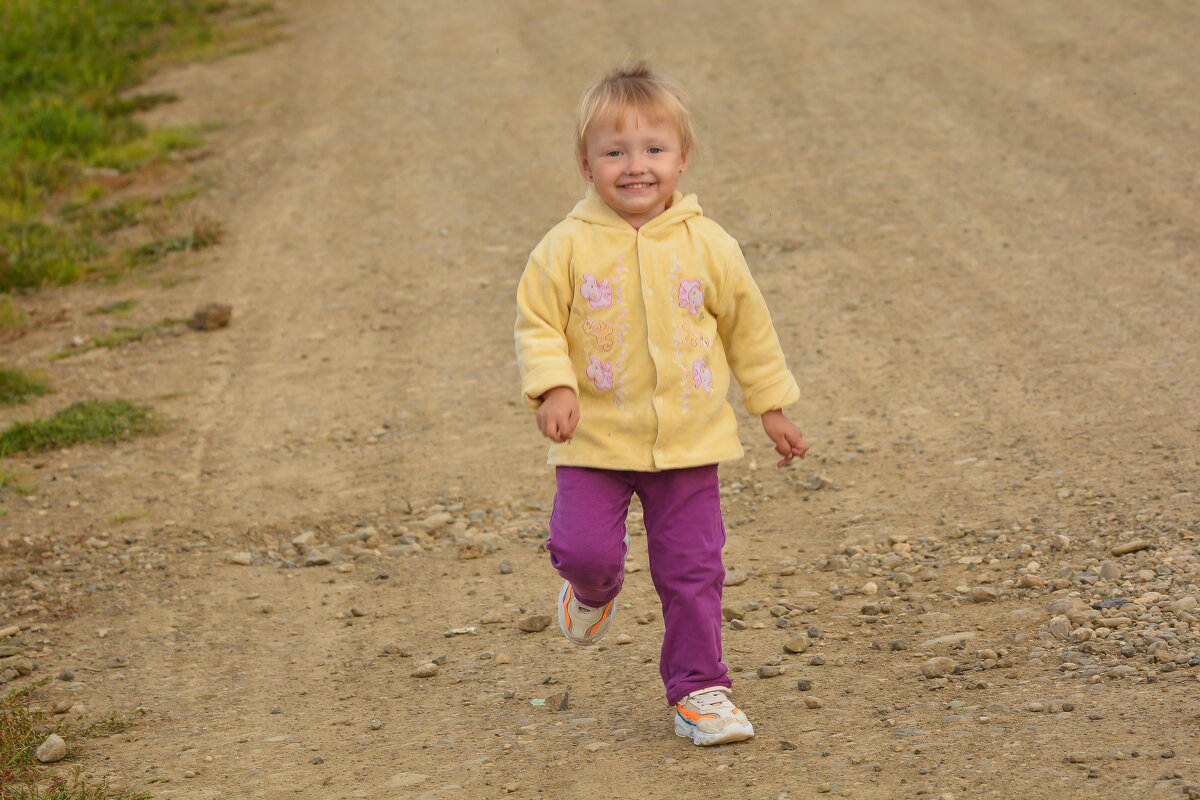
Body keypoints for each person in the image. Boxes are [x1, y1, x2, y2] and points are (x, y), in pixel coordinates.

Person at [513, 60, 808, 746]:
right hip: (596, 443)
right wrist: (554, 385)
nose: (635, 166)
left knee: (694, 571)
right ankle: (592, 591)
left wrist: (772, 407)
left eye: (653, 150)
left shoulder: (709, 244)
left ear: (682, 159)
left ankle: (700, 691)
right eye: (614, 152)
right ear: (586, 165)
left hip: (688, 442)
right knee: (582, 548)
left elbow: (748, 328)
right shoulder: (564, 247)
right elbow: (537, 322)